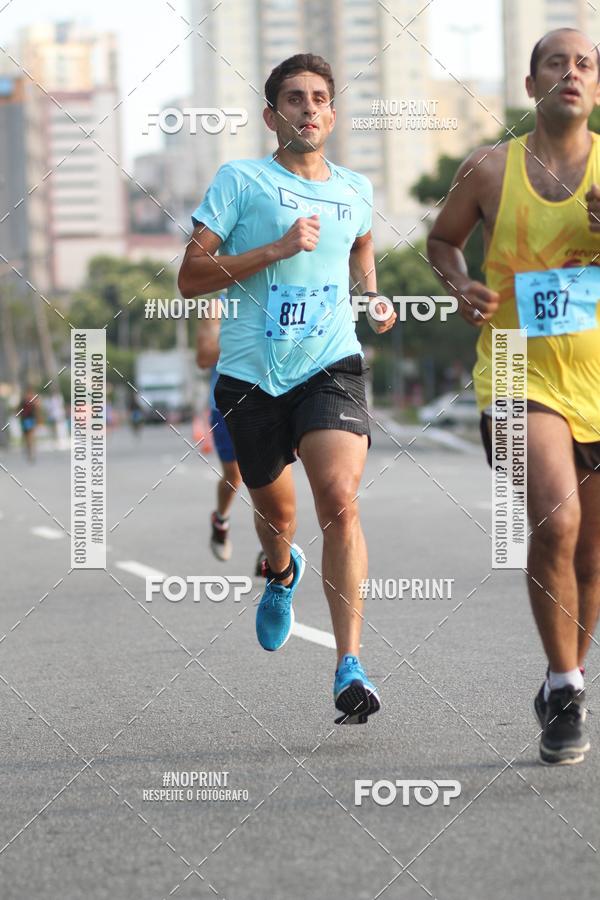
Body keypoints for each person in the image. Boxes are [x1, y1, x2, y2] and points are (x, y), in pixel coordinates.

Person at [179, 53, 395, 724]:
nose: (309, 107)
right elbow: (191, 275)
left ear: (332, 114)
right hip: (250, 376)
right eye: (294, 98)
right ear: (273, 116)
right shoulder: (240, 182)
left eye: (320, 97)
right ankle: (279, 568)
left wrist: (374, 298)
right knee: (279, 517)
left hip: (330, 363)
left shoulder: (355, 188)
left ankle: (349, 665)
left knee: (339, 499)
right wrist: (273, 249)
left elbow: (360, 249)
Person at [427, 28, 600, 764]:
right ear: (531, 86)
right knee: (557, 522)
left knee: (592, 555)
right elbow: (441, 241)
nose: (571, 72)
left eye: (585, 64)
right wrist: (458, 282)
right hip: (516, 371)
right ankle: (564, 688)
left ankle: (569, 675)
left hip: (595, 375)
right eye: (556, 63)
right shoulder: (490, 170)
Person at [196, 310, 243, 561]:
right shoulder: (218, 308)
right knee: (234, 477)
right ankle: (221, 520)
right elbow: (204, 358)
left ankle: (271, 551)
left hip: (275, 400)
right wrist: (245, 332)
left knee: (274, 479)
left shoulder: (277, 294)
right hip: (226, 405)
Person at [18, 389, 39, 462]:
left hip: (28, 420)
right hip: (27, 420)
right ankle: (30, 452)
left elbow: (18, 410)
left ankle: (31, 452)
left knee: (29, 437)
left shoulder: (25, 401)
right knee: (29, 437)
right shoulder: (27, 401)